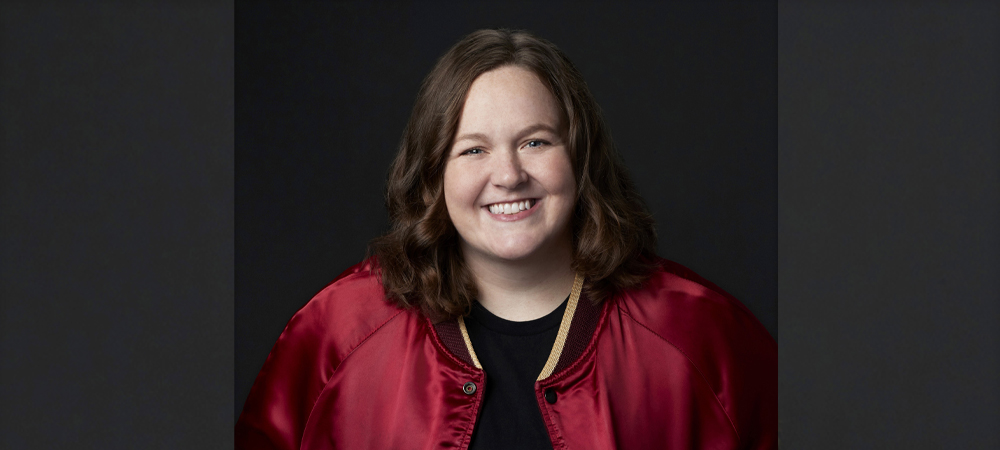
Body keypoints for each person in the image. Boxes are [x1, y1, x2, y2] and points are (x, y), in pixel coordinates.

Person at [236, 28, 777, 449]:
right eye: (473, 150)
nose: (509, 175)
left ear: (580, 158)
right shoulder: (336, 335)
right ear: (433, 174)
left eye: (536, 142)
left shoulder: (702, 334)